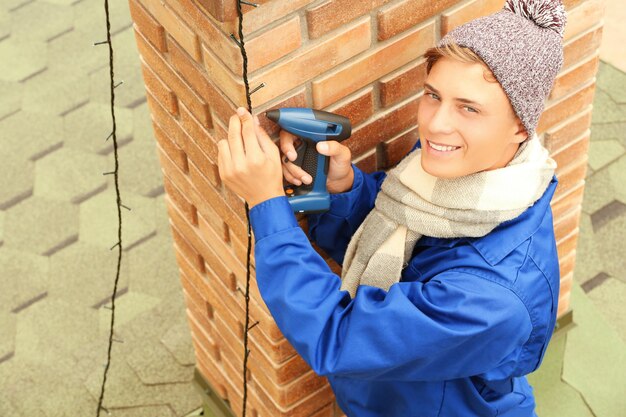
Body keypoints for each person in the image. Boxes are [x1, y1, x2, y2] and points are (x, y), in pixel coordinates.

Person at [216, 0, 567, 415]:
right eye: (433, 96)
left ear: (521, 126)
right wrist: (345, 190)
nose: (436, 124)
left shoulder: (491, 301)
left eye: (469, 108)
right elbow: (403, 238)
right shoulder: (462, 176)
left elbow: (339, 336)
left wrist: (267, 205)